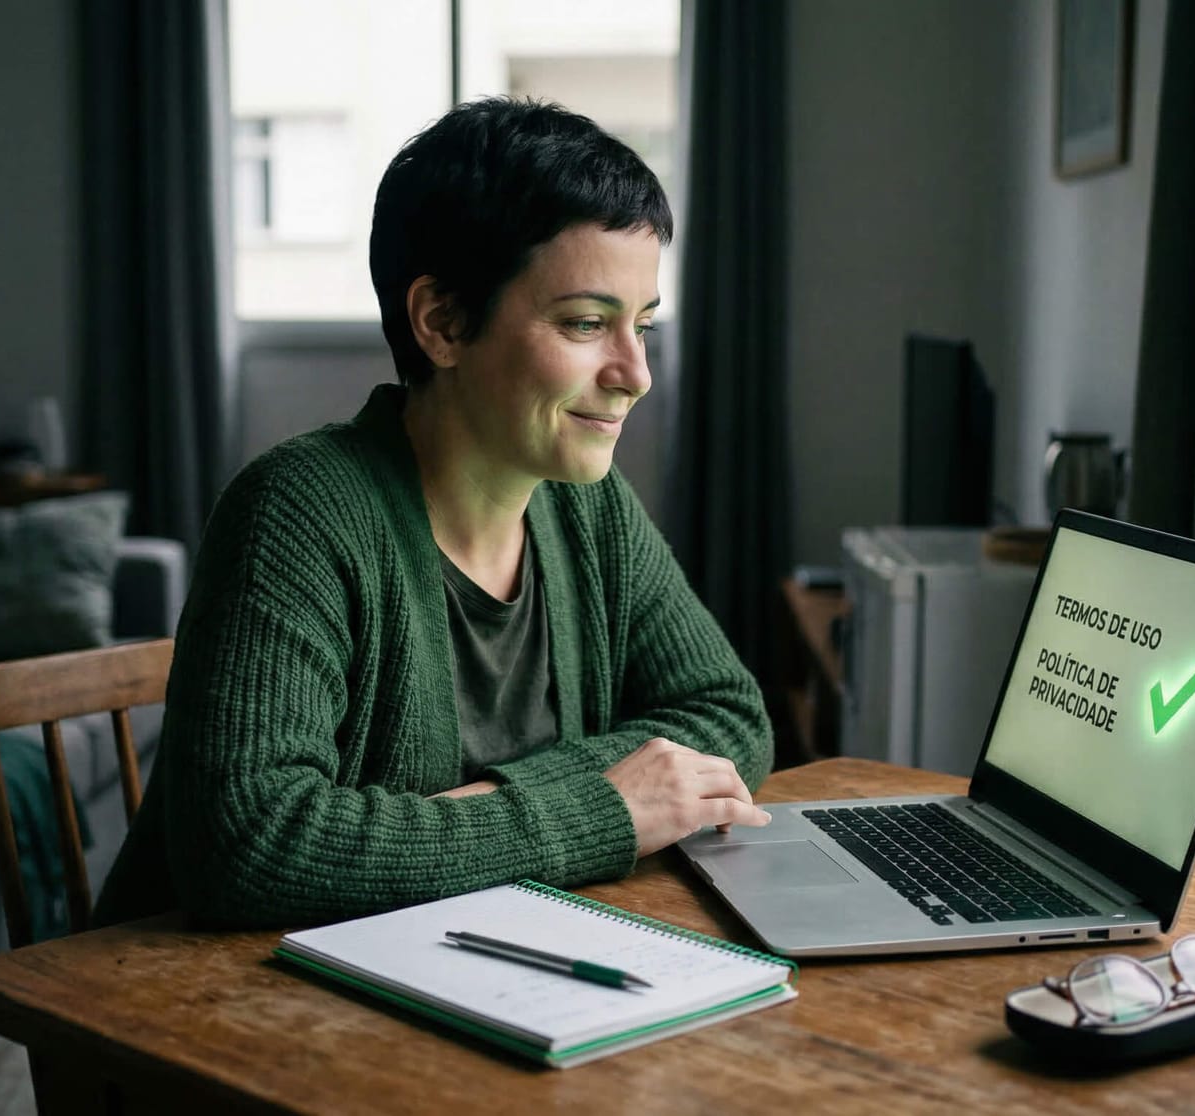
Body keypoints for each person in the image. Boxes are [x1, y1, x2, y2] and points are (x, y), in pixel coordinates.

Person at [93, 97, 772, 930]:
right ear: (442, 322)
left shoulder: (587, 509)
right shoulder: (298, 513)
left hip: (455, 965)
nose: (635, 373)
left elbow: (726, 715)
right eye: (588, 323)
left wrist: (491, 812)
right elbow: (252, 846)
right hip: (209, 1015)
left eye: (642, 324)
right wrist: (603, 810)